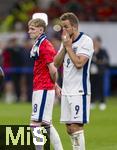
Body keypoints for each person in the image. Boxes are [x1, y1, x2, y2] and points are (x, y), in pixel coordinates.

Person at [54, 12, 94, 150]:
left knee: (76, 127)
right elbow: (56, 63)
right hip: (66, 90)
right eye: (62, 27)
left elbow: (79, 63)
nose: (63, 30)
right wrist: (65, 47)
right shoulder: (65, 41)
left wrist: (69, 47)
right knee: (69, 128)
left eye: (66, 27)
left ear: (74, 27)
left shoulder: (86, 41)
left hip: (80, 90)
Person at [28, 13, 63, 150]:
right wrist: (54, 84)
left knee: (35, 123)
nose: (29, 31)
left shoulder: (45, 46)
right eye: (29, 28)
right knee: (46, 124)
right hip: (41, 87)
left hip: (43, 88)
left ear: (41, 30)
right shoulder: (39, 43)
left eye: (32, 29)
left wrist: (53, 84)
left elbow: (53, 69)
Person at [90, 36, 109, 110]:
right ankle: (92, 102)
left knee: (101, 87)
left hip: (100, 72)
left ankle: (102, 102)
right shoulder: (91, 50)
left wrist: (97, 61)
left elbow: (106, 61)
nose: (95, 43)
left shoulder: (103, 51)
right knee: (92, 87)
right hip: (92, 72)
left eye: (96, 42)